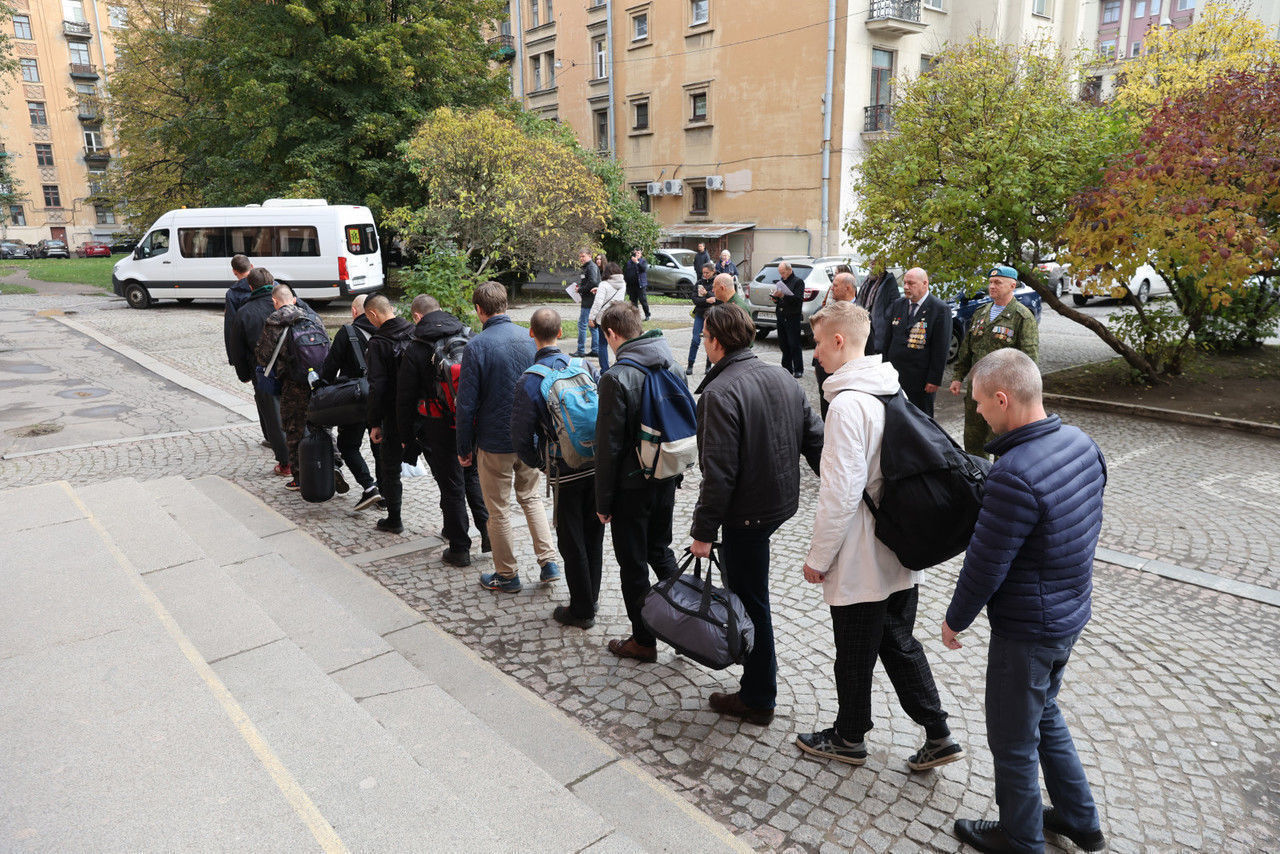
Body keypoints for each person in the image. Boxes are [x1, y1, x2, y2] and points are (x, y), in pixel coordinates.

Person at [944, 349, 1107, 854]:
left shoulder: (1012, 473)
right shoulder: (1082, 443)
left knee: (1013, 740)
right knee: (1045, 713)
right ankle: (1081, 821)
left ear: (1002, 397)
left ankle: (1020, 837)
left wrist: (955, 620)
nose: (978, 415)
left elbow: (986, 564)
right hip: (1069, 613)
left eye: (980, 406)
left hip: (1029, 629)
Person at [794, 301, 963, 770]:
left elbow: (840, 493)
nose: (815, 355)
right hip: (899, 549)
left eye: (819, 343)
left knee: (853, 654)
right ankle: (939, 732)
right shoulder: (890, 390)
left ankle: (849, 737)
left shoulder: (847, 404)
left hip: (861, 557)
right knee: (898, 644)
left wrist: (818, 557)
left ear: (840, 341)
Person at [690, 304, 823, 724]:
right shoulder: (780, 373)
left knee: (750, 603)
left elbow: (719, 473)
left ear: (714, 341)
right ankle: (757, 687)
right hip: (777, 503)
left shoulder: (719, 392)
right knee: (752, 597)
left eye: (705, 335)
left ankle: (759, 696)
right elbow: (815, 438)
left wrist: (703, 531)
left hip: (748, 513)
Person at [594, 302, 685, 662]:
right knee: (661, 552)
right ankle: (684, 627)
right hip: (666, 476)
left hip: (632, 488)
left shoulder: (615, 377)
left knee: (633, 565)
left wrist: (603, 503)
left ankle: (643, 641)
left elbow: (608, 448)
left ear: (612, 335)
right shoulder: (670, 362)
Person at [456, 281, 559, 592]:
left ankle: (507, 573)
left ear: (479, 310)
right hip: (529, 439)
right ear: (505, 306)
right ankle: (548, 560)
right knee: (531, 498)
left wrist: (463, 446)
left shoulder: (476, 346)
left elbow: (466, 404)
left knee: (497, 507)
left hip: (494, 441)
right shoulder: (530, 339)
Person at [511, 308, 605, 629]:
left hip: (565, 471)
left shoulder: (530, 379)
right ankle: (591, 596)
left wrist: (543, 462)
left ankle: (581, 610)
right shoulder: (584, 365)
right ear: (561, 333)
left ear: (530, 333)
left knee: (570, 539)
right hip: (596, 464)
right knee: (594, 532)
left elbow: (522, 438)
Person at [396, 294, 490, 565]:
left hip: (437, 424)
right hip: (470, 420)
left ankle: (459, 548)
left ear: (417, 317)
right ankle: (489, 534)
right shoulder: (468, 334)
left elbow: (404, 398)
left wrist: (407, 437)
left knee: (451, 484)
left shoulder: (417, 347)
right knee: (472, 475)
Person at [948, 265, 1040, 457]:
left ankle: (999, 484)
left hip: (1003, 395)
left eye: (997, 282)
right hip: (977, 392)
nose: (992, 286)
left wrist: (1022, 396)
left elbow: (1029, 360)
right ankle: (976, 484)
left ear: (1012, 285)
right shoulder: (981, 313)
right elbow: (967, 349)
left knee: (1001, 445)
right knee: (973, 443)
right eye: (990, 282)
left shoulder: (1022, 317)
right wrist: (958, 376)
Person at [255, 282, 332, 493]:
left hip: (293, 384)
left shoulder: (275, 320)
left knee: (294, 429)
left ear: (275, 302)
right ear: (294, 299)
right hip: (317, 382)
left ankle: (299, 477)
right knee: (321, 426)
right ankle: (333, 466)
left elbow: (263, 356)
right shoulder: (312, 316)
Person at [228, 268, 292, 476]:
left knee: (274, 419)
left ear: (250, 286)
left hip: (264, 373)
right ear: (272, 282)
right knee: (298, 413)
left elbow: (237, 348)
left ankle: (286, 464)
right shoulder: (290, 301)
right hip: (294, 368)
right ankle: (306, 456)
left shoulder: (244, 312)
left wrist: (244, 374)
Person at [319, 294, 379, 509]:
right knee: (380, 446)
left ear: (354, 312)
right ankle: (386, 490)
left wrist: (321, 388)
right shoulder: (387, 330)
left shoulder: (348, 332)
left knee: (348, 445)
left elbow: (330, 366)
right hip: (382, 400)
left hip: (355, 400)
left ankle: (369, 487)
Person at [364, 294, 415, 534]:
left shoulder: (378, 342)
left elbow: (377, 386)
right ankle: (452, 527)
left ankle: (394, 519)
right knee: (442, 472)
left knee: (390, 468)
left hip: (394, 415)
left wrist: (374, 423)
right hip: (423, 411)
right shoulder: (415, 331)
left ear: (373, 315)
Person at [885, 267, 953, 418]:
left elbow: (940, 348)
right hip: (895, 376)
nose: (906, 287)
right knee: (897, 417)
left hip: (920, 380)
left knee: (921, 419)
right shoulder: (899, 304)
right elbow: (888, 338)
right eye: (905, 283)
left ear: (925, 284)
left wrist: (934, 379)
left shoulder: (940, 309)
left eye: (911, 283)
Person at [815, 272, 857, 418]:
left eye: (835, 285)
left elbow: (866, 350)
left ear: (847, 288)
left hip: (846, 377)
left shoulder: (861, 315)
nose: (831, 288)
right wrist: (817, 365)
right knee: (826, 413)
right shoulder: (827, 311)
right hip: (825, 375)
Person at [588, 262, 628, 370]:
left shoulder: (604, 284)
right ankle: (621, 366)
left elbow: (598, 303)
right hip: (617, 316)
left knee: (602, 344)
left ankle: (604, 369)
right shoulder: (623, 284)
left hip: (604, 318)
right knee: (619, 343)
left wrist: (591, 317)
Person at [855, 264, 901, 356]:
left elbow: (895, 303)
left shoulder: (888, 281)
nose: (872, 266)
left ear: (882, 266)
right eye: (871, 264)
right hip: (864, 322)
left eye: (875, 264)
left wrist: (884, 317)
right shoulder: (867, 280)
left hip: (878, 328)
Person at [771, 261, 805, 378]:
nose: (782, 275)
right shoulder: (781, 282)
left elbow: (798, 299)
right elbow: (781, 299)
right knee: (783, 344)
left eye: (783, 272)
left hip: (792, 316)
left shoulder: (798, 282)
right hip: (781, 315)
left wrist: (783, 296)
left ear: (790, 270)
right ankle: (786, 368)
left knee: (794, 343)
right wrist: (776, 299)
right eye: (780, 273)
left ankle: (798, 369)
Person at [686, 263, 717, 376]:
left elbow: (716, 298)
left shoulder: (716, 282)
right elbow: (694, 299)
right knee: (695, 340)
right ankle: (690, 364)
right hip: (699, 314)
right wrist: (706, 300)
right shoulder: (699, 283)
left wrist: (706, 294)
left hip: (711, 316)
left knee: (709, 340)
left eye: (706, 273)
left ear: (713, 271)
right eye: (703, 273)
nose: (704, 275)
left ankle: (708, 366)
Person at [223, 254, 254, 365]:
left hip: (250, 347)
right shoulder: (272, 284)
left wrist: (233, 358)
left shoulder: (232, 294)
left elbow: (231, 327)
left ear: (234, 271)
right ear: (252, 266)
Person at [573, 250, 601, 358]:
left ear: (590, 256)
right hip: (589, 299)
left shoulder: (591, 267)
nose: (581, 258)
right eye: (580, 257)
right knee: (592, 325)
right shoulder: (587, 267)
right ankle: (595, 350)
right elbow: (588, 281)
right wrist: (580, 288)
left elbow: (593, 282)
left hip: (589, 300)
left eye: (583, 256)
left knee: (583, 325)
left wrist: (581, 289)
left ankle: (581, 350)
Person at [623, 248, 651, 320]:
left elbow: (643, 269)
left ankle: (647, 315)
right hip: (632, 285)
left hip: (640, 285)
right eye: (635, 253)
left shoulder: (643, 261)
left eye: (638, 253)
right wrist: (626, 281)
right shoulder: (629, 262)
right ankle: (636, 316)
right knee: (633, 302)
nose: (636, 254)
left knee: (643, 300)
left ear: (641, 254)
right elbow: (627, 273)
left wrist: (637, 262)